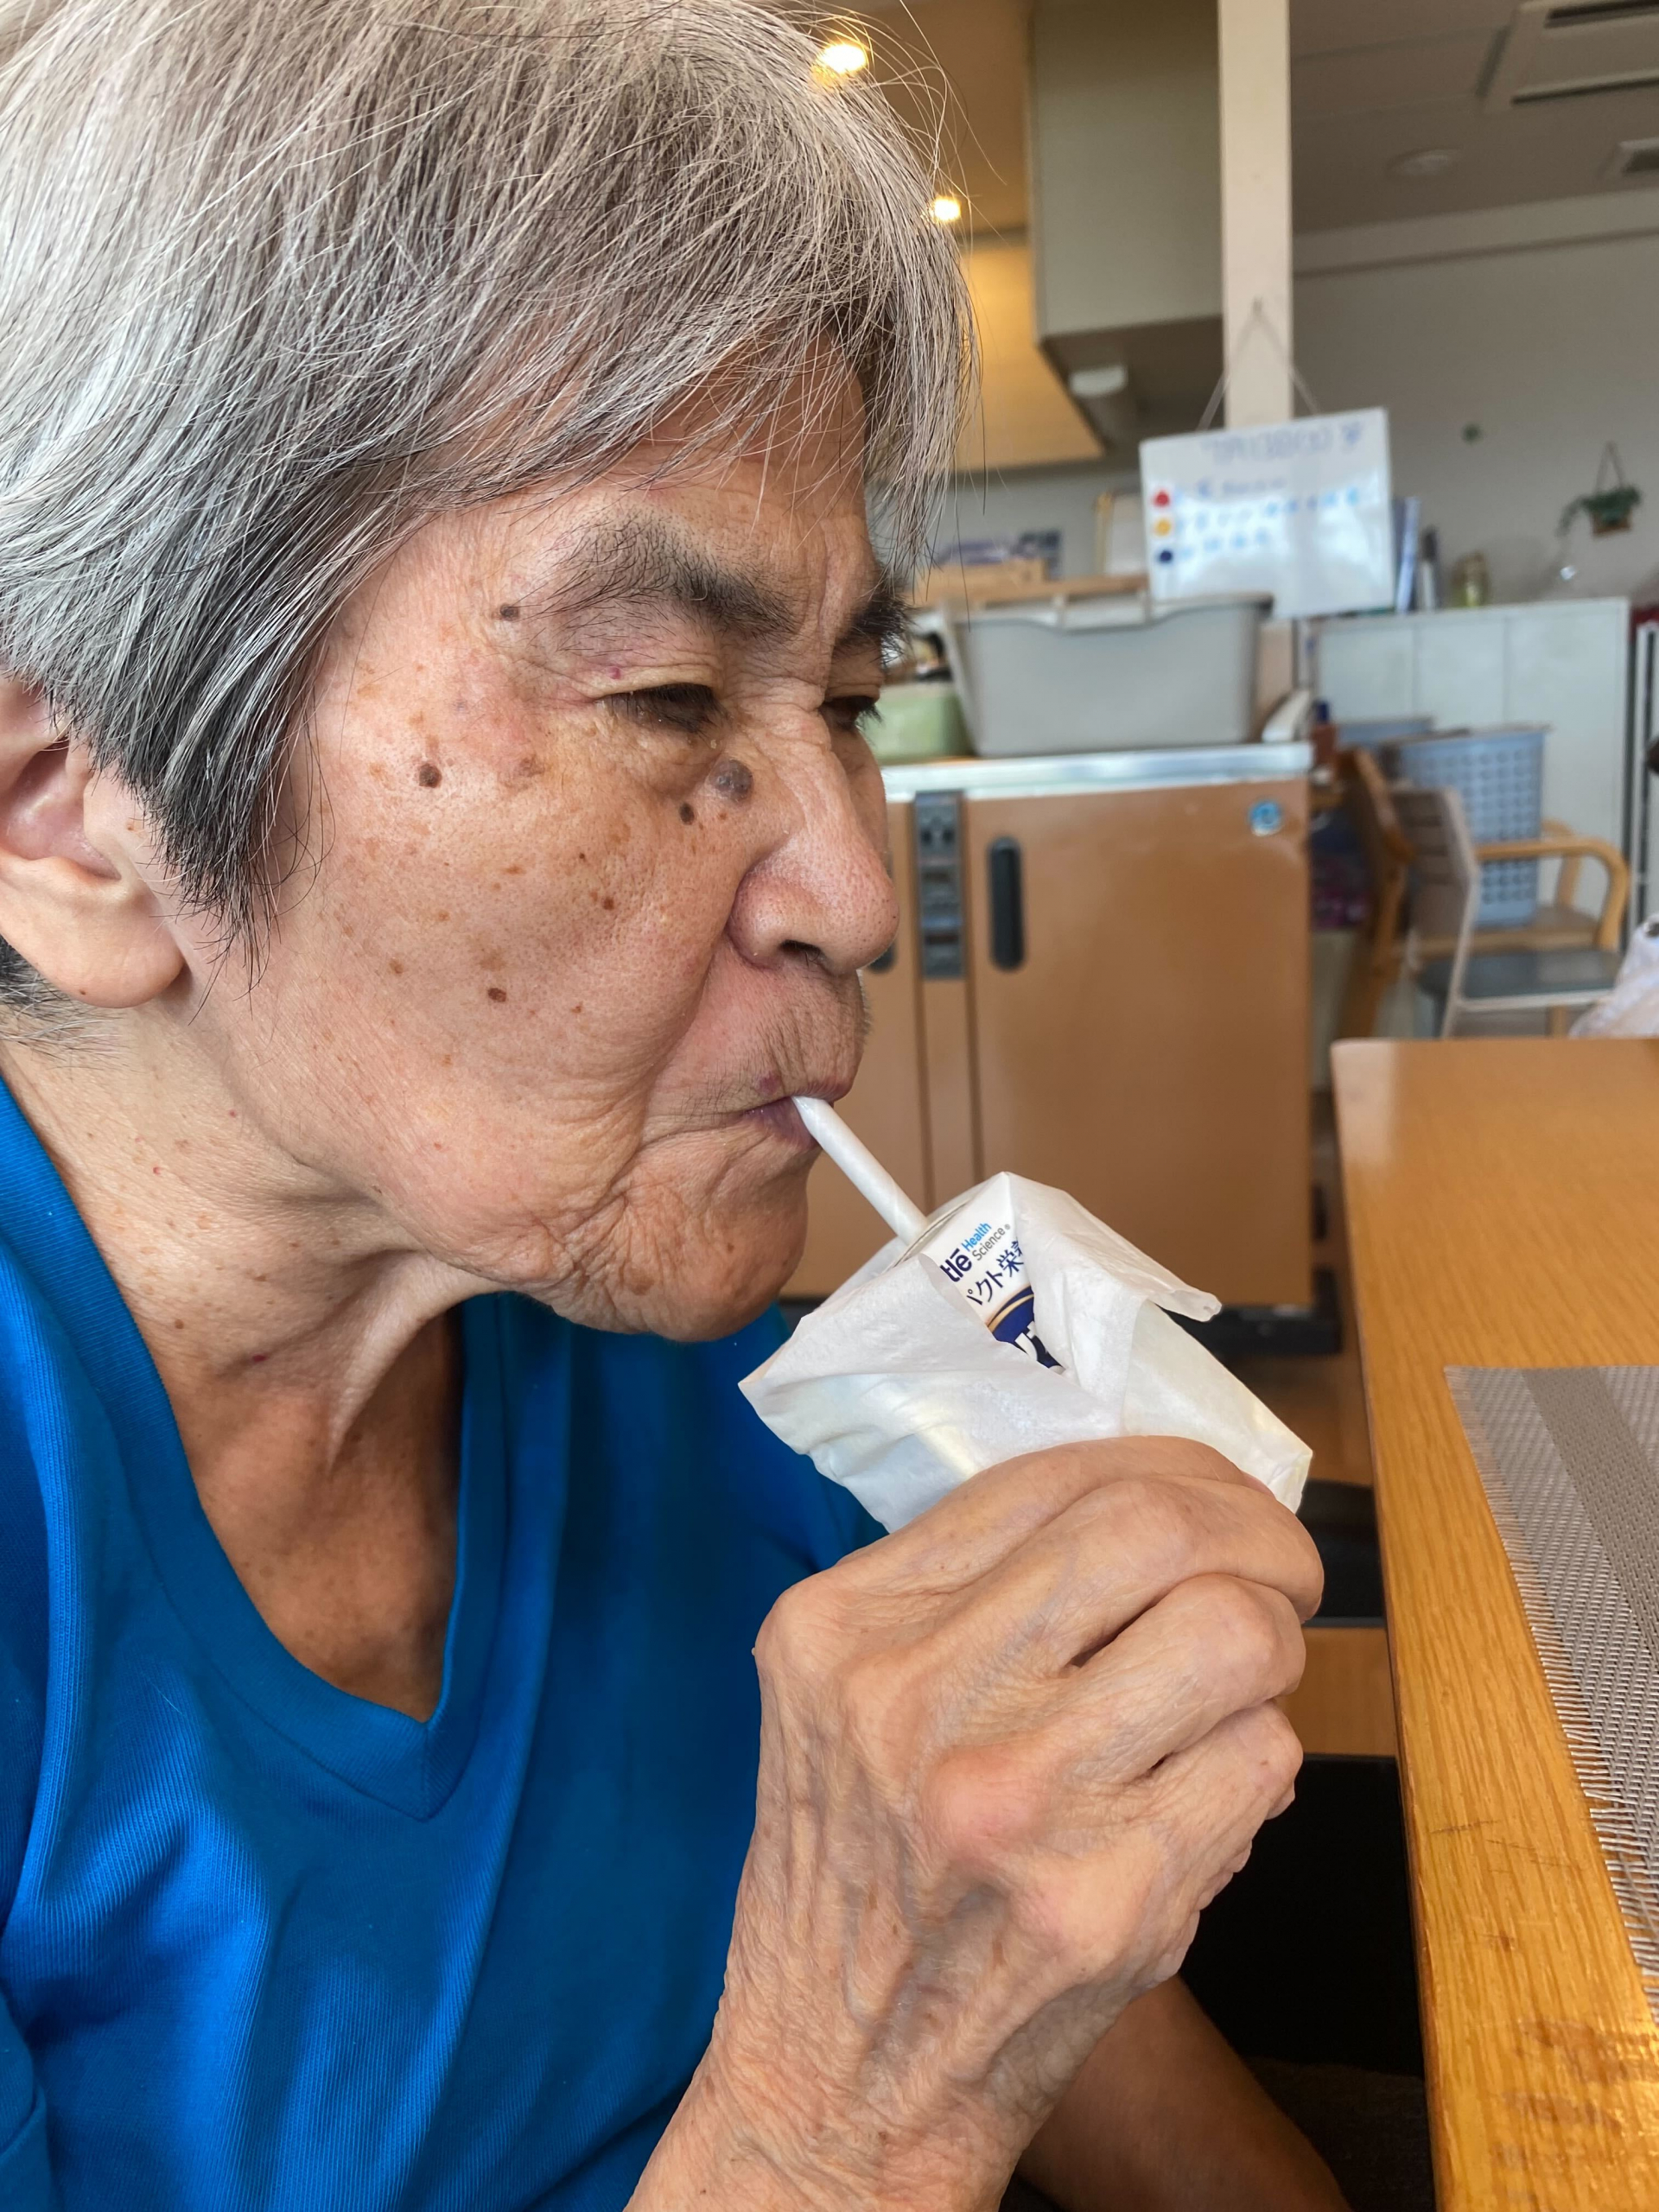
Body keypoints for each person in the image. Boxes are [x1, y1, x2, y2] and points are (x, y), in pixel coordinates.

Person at [0, 2, 1348, 2205]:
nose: (852, 889)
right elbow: (901, 2036)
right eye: (661, 692)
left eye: (852, 693)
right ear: (74, 812)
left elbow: (1065, 1979)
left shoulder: (688, 1350)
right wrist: (842, 2119)